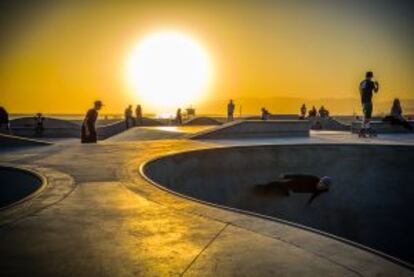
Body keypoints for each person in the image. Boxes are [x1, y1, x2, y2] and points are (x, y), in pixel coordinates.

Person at [253, 174, 332, 205]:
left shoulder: (322, 190)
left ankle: (268, 194)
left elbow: (315, 195)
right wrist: (286, 176)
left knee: (284, 194)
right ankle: (262, 189)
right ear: (320, 181)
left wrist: (309, 203)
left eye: (322, 186)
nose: (320, 186)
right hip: (293, 183)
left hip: (294, 190)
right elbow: (300, 176)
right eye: (320, 183)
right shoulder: (313, 179)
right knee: (276, 184)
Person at [359, 71, 379, 136]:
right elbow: (376, 91)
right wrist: (377, 85)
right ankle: (362, 130)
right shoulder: (371, 83)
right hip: (368, 102)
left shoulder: (361, 83)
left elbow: (360, 92)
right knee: (368, 117)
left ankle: (367, 129)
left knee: (365, 116)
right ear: (370, 76)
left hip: (363, 102)